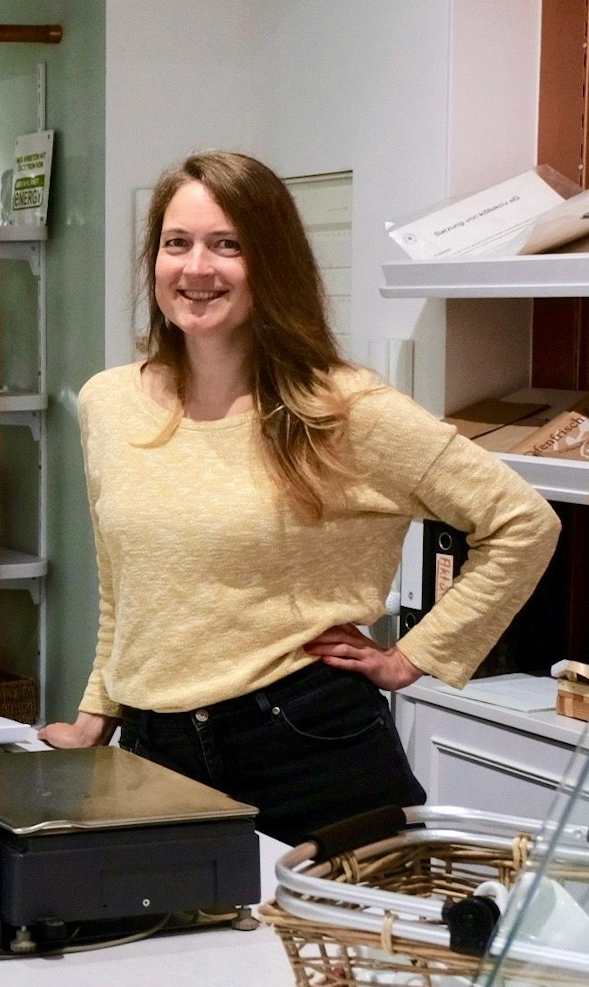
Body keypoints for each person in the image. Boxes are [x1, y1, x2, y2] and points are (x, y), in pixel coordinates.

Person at [39, 151, 560, 844]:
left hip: (305, 742)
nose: (197, 268)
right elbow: (128, 586)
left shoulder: (345, 409)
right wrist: (94, 712)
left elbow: (523, 522)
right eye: (177, 243)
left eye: (229, 245)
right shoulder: (110, 403)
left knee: (331, 952)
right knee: (171, 952)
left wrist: (416, 653)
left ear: (272, 262)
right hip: (152, 752)